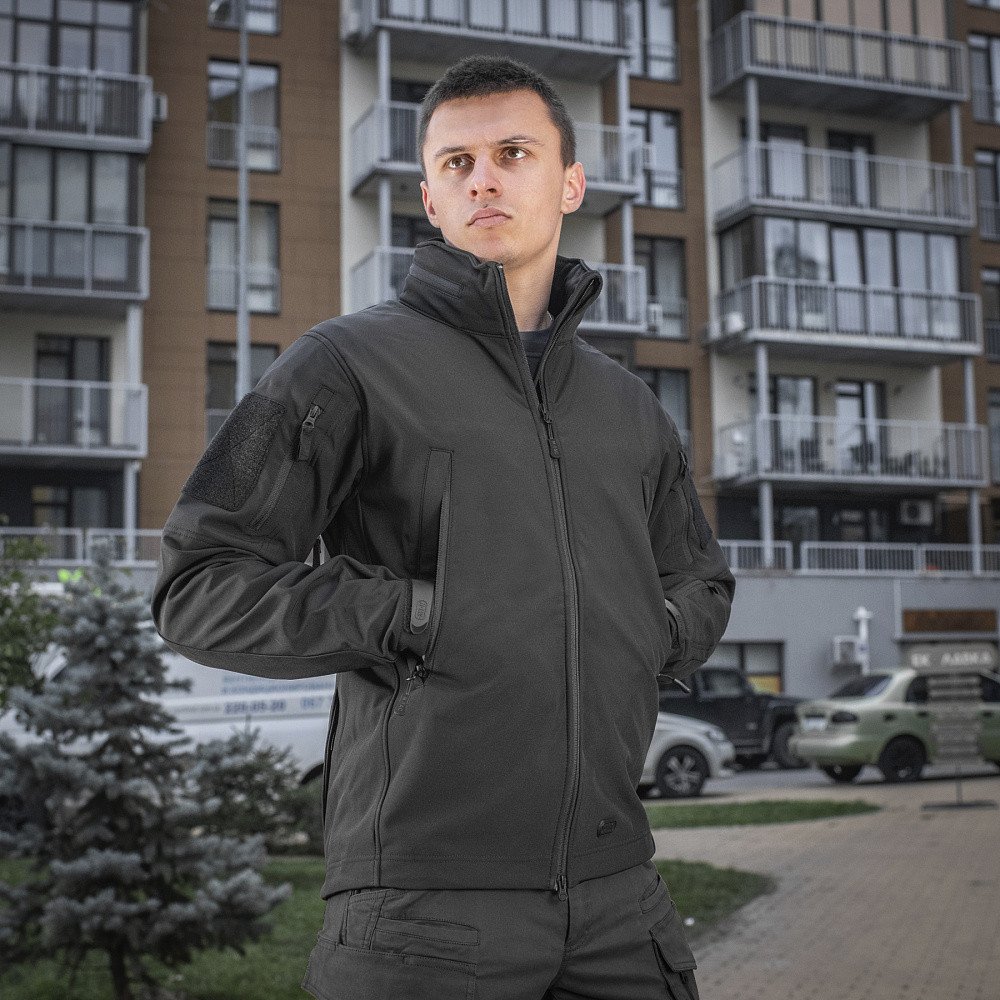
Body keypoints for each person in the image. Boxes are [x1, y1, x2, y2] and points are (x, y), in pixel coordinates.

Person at [151, 54, 734, 1000]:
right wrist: (416, 615)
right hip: (422, 915)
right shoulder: (340, 366)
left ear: (571, 183)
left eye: (513, 153)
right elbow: (198, 584)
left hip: (622, 903)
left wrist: (645, 630)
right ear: (429, 197)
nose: (483, 180)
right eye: (457, 163)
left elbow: (700, 581)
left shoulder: (629, 407)